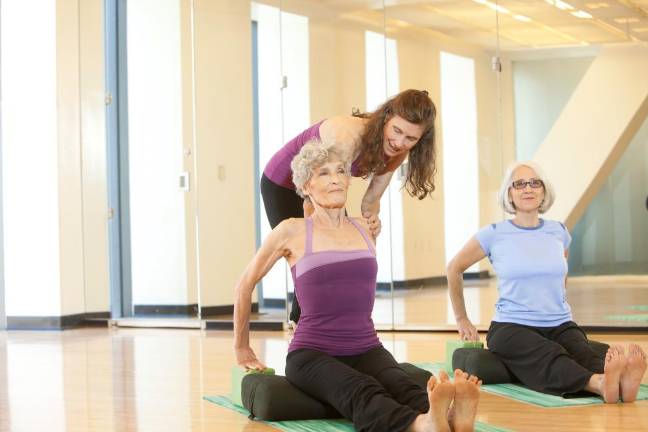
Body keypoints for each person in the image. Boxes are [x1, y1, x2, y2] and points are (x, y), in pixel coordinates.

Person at [235, 141, 480, 432]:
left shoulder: (365, 228)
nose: (336, 178)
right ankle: (419, 425)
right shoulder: (291, 230)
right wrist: (242, 347)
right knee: (360, 388)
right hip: (311, 353)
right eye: (323, 173)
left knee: (399, 381)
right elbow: (245, 284)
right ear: (306, 186)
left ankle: (451, 418)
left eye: (340, 171)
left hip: (366, 346)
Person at [446, 161, 647, 403]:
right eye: (519, 184)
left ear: (544, 191)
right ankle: (600, 383)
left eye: (534, 183)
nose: (527, 189)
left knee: (582, 351)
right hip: (512, 326)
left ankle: (622, 381)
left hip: (559, 322)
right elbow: (454, 268)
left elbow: (561, 274)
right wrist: (461, 318)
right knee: (551, 354)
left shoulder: (558, 232)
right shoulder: (494, 233)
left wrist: (557, 305)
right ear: (509, 193)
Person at [261, 89, 437, 322]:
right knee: (312, 259)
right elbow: (320, 190)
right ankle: (304, 329)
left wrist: (371, 224)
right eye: (397, 131)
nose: (399, 142)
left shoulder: (398, 152)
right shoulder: (347, 134)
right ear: (386, 117)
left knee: (336, 257)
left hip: (326, 188)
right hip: (283, 183)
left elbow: (371, 202)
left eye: (410, 139)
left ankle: (331, 327)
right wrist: (319, 238)